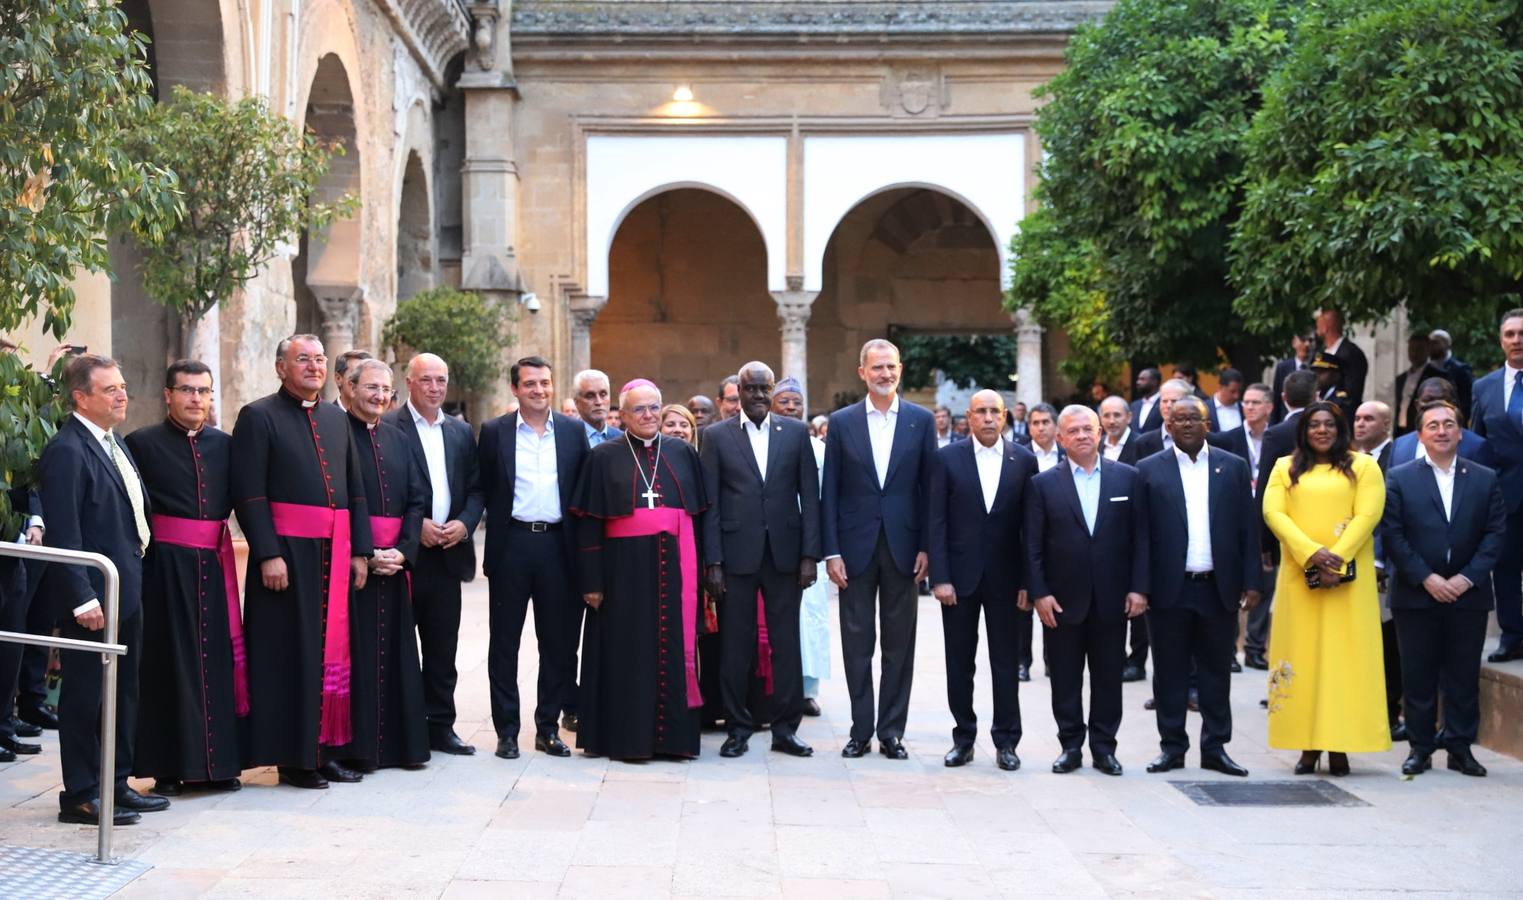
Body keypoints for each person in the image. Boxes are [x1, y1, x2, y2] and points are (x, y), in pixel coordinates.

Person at [231, 334, 375, 790]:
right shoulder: (258, 416)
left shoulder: (336, 418)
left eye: (319, 360)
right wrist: (268, 553)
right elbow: (249, 492)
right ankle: (294, 758)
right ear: (281, 368)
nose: (314, 367)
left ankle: (326, 751)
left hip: (335, 554)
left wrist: (360, 551)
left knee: (331, 655)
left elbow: (355, 491)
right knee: (290, 656)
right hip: (288, 557)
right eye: (302, 360)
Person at [39, 354, 164, 824]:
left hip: (126, 589)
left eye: (123, 386)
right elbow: (64, 531)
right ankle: (80, 793)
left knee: (123, 692)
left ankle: (115, 783)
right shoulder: (67, 450)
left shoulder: (112, 442)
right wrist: (81, 597)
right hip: (93, 597)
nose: (122, 395)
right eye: (110, 389)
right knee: (85, 696)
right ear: (80, 397)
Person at [125, 360, 246, 796]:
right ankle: (168, 768)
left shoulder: (225, 445)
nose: (196, 398)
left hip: (212, 567)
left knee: (216, 663)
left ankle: (219, 766)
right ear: (168, 395)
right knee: (167, 664)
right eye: (187, 390)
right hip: (163, 568)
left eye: (204, 391)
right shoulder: (141, 443)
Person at [570, 379, 708, 760]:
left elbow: (699, 517)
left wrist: (704, 571)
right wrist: (592, 581)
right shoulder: (603, 457)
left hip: (675, 569)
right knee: (627, 653)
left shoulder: (682, 453)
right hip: (622, 573)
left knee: (673, 649)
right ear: (623, 415)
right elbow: (589, 524)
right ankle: (627, 739)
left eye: (653, 408)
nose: (648, 415)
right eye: (639, 409)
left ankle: (674, 741)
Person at [822, 339, 936, 760]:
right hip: (854, 549)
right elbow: (830, 491)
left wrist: (927, 546)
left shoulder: (921, 421)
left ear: (900, 369)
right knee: (857, 643)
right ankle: (860, 730)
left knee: (899, 644)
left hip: (905, 547)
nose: (884, 374)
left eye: (891, 367)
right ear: (862, 373)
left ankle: (891, 732)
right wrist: (831, 551)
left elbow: (930, 489)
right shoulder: (842, 422)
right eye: (877, 368)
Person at [1261, 401, 1389, 776]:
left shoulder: (1364, 466)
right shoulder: (1284, 467)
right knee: (1302, 658)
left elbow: (1369, 514)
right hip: (1299, 580)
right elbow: (1273, 513)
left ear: (1340, 428)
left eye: (1329, 424)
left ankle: (1339, 746)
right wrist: (1311, 554)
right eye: (1314, 424)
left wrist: (1337, 559)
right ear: (1303, 430)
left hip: (1349, 584)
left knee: (1344, 662)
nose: (1321, 430)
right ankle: (1307, 746)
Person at [701, 362, 820, 758]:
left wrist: (810, 555)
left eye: (763, 389)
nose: (756, 396)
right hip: (735, 558)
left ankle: (786, 730)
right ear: (738, 391)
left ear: (772, 391)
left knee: (786, 645)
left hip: (785, 557)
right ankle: (738, 728)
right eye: (749, 389)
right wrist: (713, 562)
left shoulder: (796, 433)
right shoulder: (716, 436)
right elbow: (711, 504)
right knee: (736, 647)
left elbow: (810, 498)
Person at [1137, 397, 1260, 777]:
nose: (1188, 424)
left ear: (1208, 425)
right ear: (1168, 426)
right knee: (1168, 672)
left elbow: (1248, 528)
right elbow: (1140, 535)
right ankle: (1172, 748)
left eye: (1195, 418)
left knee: (1216, 671)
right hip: (1168, 589)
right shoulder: (1148, 469)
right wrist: (1140, 587)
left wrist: (1252, 581)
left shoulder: (1233, 466)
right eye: (1180, 419)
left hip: (1217, 587)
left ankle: (1215, 748)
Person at [1384, 401, 1505, 777]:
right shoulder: (1399, 477)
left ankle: (1459, 747)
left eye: (1449, 424)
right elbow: (1393, 534)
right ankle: (1420, 748)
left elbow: (1495, 533)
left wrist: (1465, 578)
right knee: (1417, 676)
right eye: (1433, 425)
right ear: (1420, 435)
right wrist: (1428, 578)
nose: (1441, 431)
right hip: (1416, 595)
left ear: (1461, 433)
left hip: (1468, 596)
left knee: (1463, 676)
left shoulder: (1485, 478)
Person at [1025, 405, 1148, 776]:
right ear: (1060, 438)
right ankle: (1070, 746)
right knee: (1065, 678)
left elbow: (1141, 539)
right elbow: (1032, 545)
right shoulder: (1042, 484)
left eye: (1087, 429)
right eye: (1073, 431)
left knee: (1109, 677)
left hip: (1113, 598)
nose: (1081, 435)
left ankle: (1104, 748)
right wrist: (1039, 592)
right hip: (1061, 601)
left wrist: (1139, 588)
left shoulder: (1128, 478)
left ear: (1099, 434)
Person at [477, 357, 588, 760]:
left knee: (557, 644)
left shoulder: (573, 431)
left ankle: (547, 728)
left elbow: (583, 490)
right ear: (515, 389)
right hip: (512, 544)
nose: (539, 390)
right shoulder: (494, 432)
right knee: (504, 644)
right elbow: (483, 486)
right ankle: (507, 731)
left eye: (544, 383)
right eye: (529, 384)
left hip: (559, 546)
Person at [929, 389, 1037, 771]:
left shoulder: (1024, 460)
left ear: (1005, 417)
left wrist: (1029, 582)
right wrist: (940, 577)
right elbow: (936, 520)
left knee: (1006, 663)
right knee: (960, 663)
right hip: (959, 581)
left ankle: (1007, 741)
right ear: (969, 418)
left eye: (995, 411)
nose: (989, 418)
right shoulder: (947, 458)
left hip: (1008, 581)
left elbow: (1031, 527)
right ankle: (964, 738)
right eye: (981, 411)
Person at [332, 359, 429, 771]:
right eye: (371, 387)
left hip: (395, 564)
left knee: (397, 657)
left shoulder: (398, 437)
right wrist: (366, 552)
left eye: (385, 390)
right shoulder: (335, 433)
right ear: (351, 388)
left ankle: (399, 748)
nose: (379, 396)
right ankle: (359, 750)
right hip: (354, 564)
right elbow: (337, 501)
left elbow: (417, 499)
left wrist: (403, 552)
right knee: (358, 659)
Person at [385, 353, 484, 756]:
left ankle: (441, 726)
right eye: (426, 379)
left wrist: (465, 523)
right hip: (406, 557)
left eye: (441, 380)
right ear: (408, 382)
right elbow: (383, 492)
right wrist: (415, 527)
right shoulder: (388, 426)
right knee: (399, 648)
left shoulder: (460, 431)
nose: (434, 387)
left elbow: (476, 489)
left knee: (443, 648)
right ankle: (402, 730)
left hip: (448, 555)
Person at [772, 377, 830, 716]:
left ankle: (808, 690)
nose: (791, 408)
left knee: (811, 618)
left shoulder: (820, 449)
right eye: (784, 401)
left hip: (810, 545)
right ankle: (777, 688)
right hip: (775, 544)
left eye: (797, 403)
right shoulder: (764, 444)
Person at [1470, 308, 1523, 662]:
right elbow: (1477, 444)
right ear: (1501, 340)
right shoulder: (1484, 387)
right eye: (1510, 334)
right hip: (1506, 495)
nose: (1517, 340)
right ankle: (1513, 636)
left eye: (1522, 334)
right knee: (1505, 568)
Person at [1353, 401, 1402, 740]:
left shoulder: (1397, 457)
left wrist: (1380, 561)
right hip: (1347, 564)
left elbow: (1390, 514)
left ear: (1386, 424)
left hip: (1382, 566)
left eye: (1368, 419)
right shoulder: (1348, 460)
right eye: (1357, 418)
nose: (1360, 424)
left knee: (1386, 642)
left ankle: (1389, 711)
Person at [1391, 377, 1487, 464]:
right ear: (1417, 405)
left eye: (1442, 401)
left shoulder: (1476, 446)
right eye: (1428, 401)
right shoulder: (1399, 446)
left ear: (1454, 405)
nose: (1435, 407)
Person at [1130, 379, 1192, 461]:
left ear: (1190, 404)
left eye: (1174, 401)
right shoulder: (1142, 443)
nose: (1168, 405)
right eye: (1164, 401)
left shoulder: (1204, 439)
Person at [1394, 334, 1443, 437]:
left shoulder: (1438, 375)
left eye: (1419, 349)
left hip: (1423, 428)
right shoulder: (1401, 378)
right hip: (1401, 429)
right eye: (1411, 349)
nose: (1414, 353)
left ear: (1428, 350)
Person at [1317, 308, 1369, 402]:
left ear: (1325, 328)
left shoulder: (1351, 353)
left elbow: (1351, 392)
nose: (1317, 329)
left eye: (1318, 325)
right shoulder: (1324, 352)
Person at [1428, 328, 1474, 416]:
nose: (1432, 346)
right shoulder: (1426, 369)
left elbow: (1466, 400)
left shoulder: (1461, 369)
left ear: (1447, 344)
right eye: (1430, 343)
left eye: (1436, 342)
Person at [1271, 333, 1314, 424]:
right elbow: (1276, 398)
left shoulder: (1317, 368)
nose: (1307, 344)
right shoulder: (1283, 367)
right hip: (1286, 420)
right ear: (1294, 343)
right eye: (1303, 340)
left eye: (1310, 341)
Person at [574, 369, 623, 448]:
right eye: (590, 396)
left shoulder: (623, 440)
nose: (599, 402)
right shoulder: (565, 438)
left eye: (603, 394)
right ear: (576, 402)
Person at [1099, 395, 1139, 464]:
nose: (1112, 421)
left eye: (1117, 415)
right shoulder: (1096, 444)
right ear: (1101, 419)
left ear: (1129, 417)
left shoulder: (1141, 444)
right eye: (1106, 416)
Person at [1025, 403, 1063, 470]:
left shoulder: (1068, 455)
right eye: (1036, 423)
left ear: (1056, 426)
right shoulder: (1019, 456)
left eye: (1045, 422)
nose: (1041, 428)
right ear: (1029, 428)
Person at [1209, 368, 1245, 433]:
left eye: (1239, 391)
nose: (1236, 396)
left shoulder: (1244, 408)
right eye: (1232, 391)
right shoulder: (1206, 408)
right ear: (1220, 387)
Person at [1131, 367, 1163, 432]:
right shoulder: (1134, 405)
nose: (1138, 382)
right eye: (1138, 379)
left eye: (1142, 379)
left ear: (1154, 382)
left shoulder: (1164, 404)